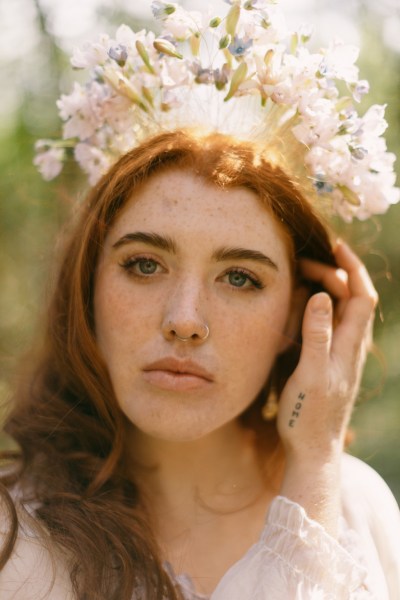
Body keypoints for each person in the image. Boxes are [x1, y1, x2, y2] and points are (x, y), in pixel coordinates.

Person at [1, 2, 400, 599]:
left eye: (240, 278)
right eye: (143, 265)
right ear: (87, 290)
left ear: (300, 315)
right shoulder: (16, 535)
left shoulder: (356, 505)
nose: (184, 321)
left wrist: (313, 462)